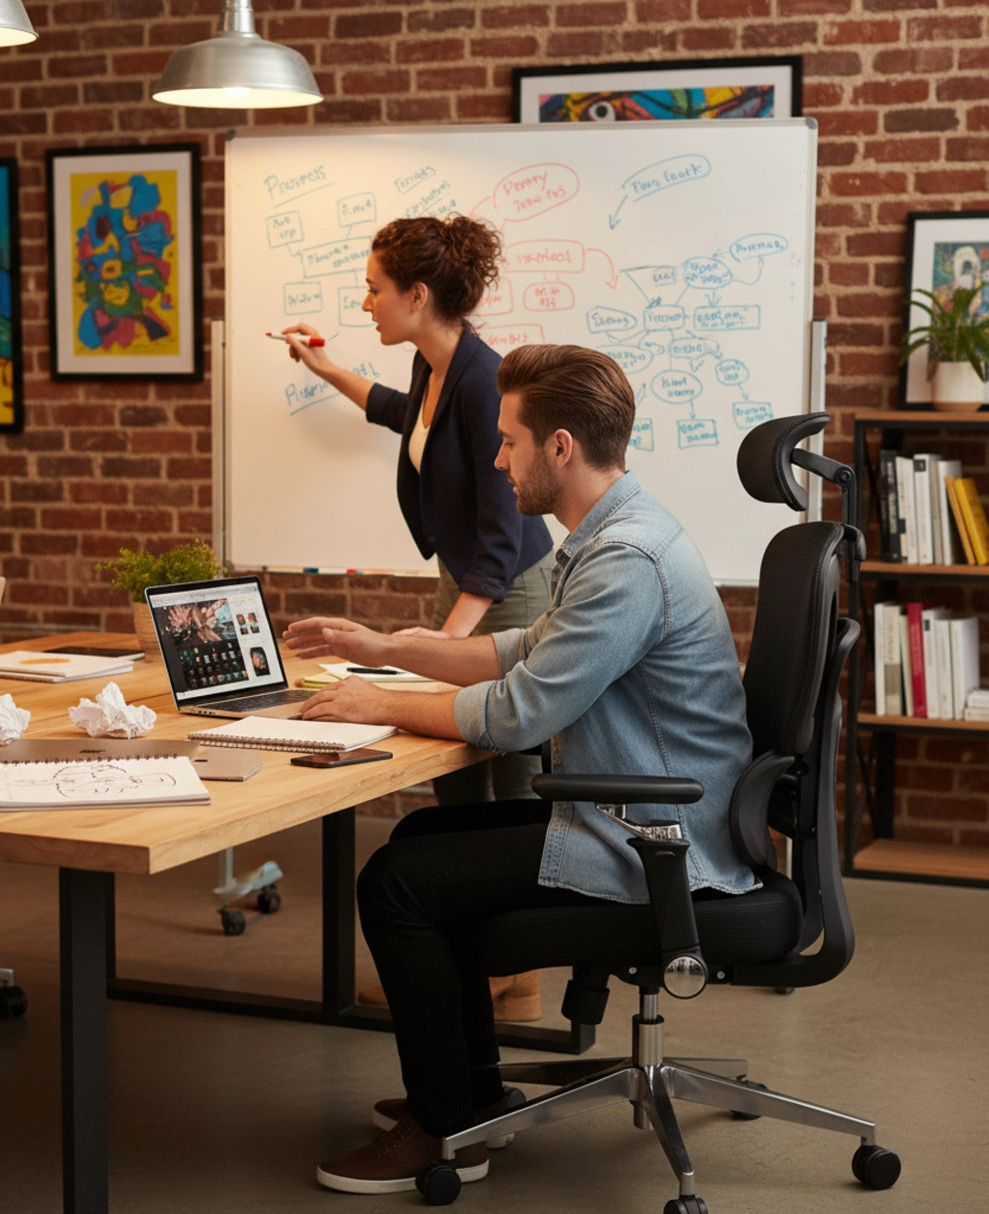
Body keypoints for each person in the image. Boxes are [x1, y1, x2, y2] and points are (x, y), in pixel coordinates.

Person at [282, 344, 757, 1196]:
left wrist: (376, 703)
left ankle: (446, 1129)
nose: (498, 460)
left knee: (400, 884)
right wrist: (391, 650)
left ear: (561, 447)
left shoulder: (625, 561)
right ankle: (469, 1098)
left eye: (509, 442)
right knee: (426, 838)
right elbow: (523, 651)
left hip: (655, 837)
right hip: (644, 812)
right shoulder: (617, 529)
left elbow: (518, 714)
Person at [279, 214, 555, 807]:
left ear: (417, 295)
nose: (367, 301)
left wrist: (446, 641)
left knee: (511, 772)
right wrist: (324, 368)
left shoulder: (485, 381)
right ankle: (456, 885)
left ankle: (512, 890)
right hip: (462, 578)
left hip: (512, 589)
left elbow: (503, 531)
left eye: (376, 288)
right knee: (449, 757)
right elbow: (403, 413)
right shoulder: (432, 364)